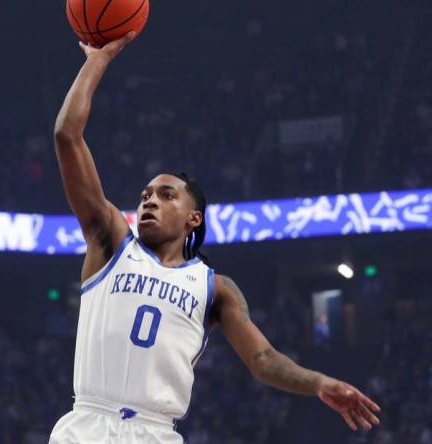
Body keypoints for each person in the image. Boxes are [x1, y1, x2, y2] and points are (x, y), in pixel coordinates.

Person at [49, 32, 381, 443]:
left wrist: (318, 382)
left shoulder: (215, 287)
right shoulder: (111, 241)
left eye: (165, 195)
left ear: (193, 218)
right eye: (145, 195)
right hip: (88, 424)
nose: (150, 201)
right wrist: (98, 60)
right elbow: (67, 136)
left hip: (157, 432)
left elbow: (263, 360)